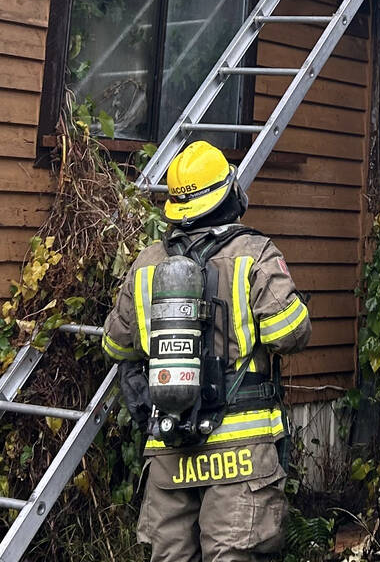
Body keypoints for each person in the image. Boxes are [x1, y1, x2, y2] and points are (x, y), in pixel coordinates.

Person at [104, 142, 312, 562]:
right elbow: (289, 332)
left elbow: (114, 344)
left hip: (169, 449)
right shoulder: (254, 254)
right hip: (241, 452)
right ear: (226, 194)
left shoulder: (147, 265)